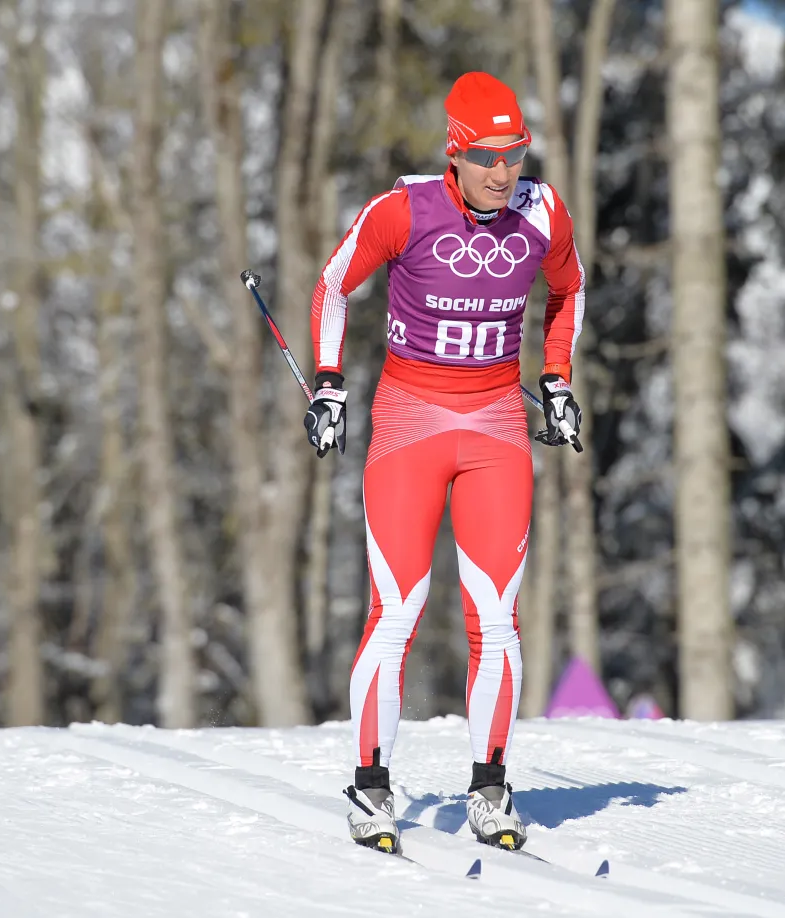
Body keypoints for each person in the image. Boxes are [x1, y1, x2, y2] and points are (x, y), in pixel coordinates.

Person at [302, 71, 586, 855]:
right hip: (408, 425)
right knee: (396, 613)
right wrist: (329, 385)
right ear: (456, 154)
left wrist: (557, 380)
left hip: (496, 425)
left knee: (496, 618)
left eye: (517, 155)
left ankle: (490, 791)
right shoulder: (404, 210)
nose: (505, 172)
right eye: (489, 156)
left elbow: (571, 289)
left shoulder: (543, 210)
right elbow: (334, 284)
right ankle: (370, 788)